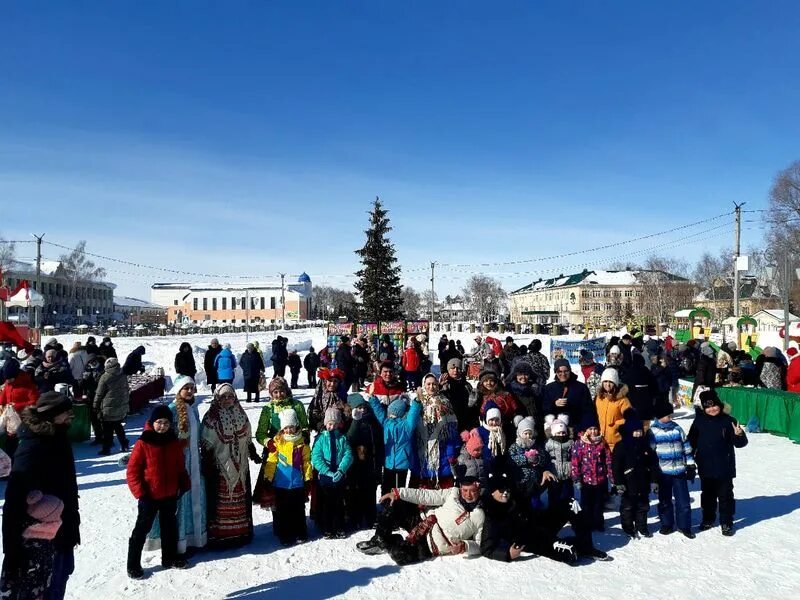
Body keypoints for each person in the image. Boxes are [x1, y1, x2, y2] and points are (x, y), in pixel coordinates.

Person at [1, 391, 80, 599]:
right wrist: (12, 552)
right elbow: (13, 503)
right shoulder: (33, 446)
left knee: (58, 584)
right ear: (52, 415)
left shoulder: (58, 437)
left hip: (62, 533)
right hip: (39, 543)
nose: (71, 415)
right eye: (66, 412)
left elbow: (67, 488)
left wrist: (72, 524)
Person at [126, 405, 190, 579]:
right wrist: (140, 493)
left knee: (169, 528)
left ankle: (169, 558)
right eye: (159, 422)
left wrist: (184, 482)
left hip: (169, 494)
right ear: (152, 423)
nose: (162, 426)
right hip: (149, 496)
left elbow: (179, 466)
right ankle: (133, 564)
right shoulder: (143, 442)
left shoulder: (173, 442)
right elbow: (132, 471)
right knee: (141, 530)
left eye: (166, 423)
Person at [357, 477, 485, 564]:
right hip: (423, 520)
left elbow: (481, 545)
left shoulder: (479, 516)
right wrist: (398, 493)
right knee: (396, 504)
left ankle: (394, 541)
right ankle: (380, 540)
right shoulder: (453, 493)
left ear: (479, 491)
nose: (468, 494)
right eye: (465, 490)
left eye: (472, 491)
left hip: (431, 545)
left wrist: (465, 546)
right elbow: (426, 495)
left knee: (399, 555)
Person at [147, 376, 207, 555]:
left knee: (195, 500)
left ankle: (195, 539)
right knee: (181, 504)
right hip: (180, 465)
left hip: (195, 462)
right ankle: (180, 543)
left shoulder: (193, 410)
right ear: (179, 390)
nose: (189, 391)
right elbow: (160, 434)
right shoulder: (171, 410)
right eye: (186, 388)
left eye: (192, 387)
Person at [201, 383, 257, 549]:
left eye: (230, 396)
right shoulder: (211, 417)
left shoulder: (241, 413)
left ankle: (240, 533)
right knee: (221, 500)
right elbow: (206, 441)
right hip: (220, 466)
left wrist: (251, 451)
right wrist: (208, 461)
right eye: (223, 396)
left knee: (240, 497)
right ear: (218, 397)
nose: (227, 400)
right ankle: (221, 535)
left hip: (240, 464)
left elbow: (247, 437)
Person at [688, 389, 748, 536]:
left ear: (719, 405)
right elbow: (691, 442)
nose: (712, 409)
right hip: (705, 466)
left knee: (725, 496)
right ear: (703, 408)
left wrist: (739, 435)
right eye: (708, 407)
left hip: (724, 467)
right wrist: (688, 459)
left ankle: (726, 522)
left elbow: (740, 444)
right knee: (707, 495)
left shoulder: (729, 421)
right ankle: (708, 518)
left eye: (714, 405)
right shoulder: (699, 421)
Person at [0, 489, 64, 597]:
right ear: (49, 520)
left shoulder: (30, 536)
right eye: (59, 515)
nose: (60, 519)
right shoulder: (36, 545)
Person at [262, 409, 313, 546]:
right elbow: (272, 461)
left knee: (298, 509)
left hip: (297, 483)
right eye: (286, 428)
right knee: (283, 511)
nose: (289, 430)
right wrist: (268, 478)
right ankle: (285, 534)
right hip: (281, 484)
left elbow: (307, 462)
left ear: (296, 426)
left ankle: (300, 531)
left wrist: (308, 478)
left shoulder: (302, 442)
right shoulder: (278, 442)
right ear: (282, 429)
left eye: (291, 427)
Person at [648, 402, 696, 539]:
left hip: (679, 471)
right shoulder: (653, 431)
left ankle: (684, 525)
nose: (668, 418)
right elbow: (651, 453)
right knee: (664, 500)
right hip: (663, 472)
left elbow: (686, 447)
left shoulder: (677, 429)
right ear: (658, 416)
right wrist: (653, 474)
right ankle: (667, 523)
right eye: (665, 416)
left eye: (670, 415)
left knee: (683, 501)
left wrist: (691, 465)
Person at [612, 410, 658, 538]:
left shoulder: (646, 446)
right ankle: (628, 527)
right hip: (628, 483)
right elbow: (616, 466)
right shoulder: (621, 446)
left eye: (640, 431)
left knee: (642, 506)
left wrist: (654, 480)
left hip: (643, 482)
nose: (638, 434)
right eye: (635, 431)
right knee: (628, 506)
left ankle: (642, 526)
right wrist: (619, 482)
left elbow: (653, 463)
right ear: (628, 431)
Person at [411, 374, 461, 489]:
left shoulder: (445, 402)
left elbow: (452, 428)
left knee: (443, 485)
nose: (431, 387)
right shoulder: (418, 403)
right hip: (422, 448)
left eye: (434, 384)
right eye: (428, 384)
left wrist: (453, 449)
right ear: (424, 385)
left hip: (442, 448)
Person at [311, 408, 354, 539]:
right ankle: (327, 527)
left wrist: (342, 470)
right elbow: (316, 457)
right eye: (330, 424)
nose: (332, 427)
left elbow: (348, 455)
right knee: (326, 503)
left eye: (335, 424)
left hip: (339, 476)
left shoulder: (342, 438)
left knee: (339, 503)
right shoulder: (320, 438)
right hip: (325, 477)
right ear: (325, 423)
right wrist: (326, 471)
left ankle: (339, 526)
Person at [344, 393, 384, 530]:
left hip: (370, 461)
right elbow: (349, 439)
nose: (362, 410)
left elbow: (378, 440)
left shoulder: (372, 420)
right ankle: (354, 517)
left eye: (363, 406)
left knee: (370, 490)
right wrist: (356, 421)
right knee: (354, 490)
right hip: (354, 463)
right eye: (358, 407)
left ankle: (370, 516)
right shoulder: (349, 420)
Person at [370, 394, 422, 495]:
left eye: (391, 412)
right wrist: (373, 399)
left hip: (401, 464)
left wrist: (417, 401)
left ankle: (397, 508)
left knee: (398, 489)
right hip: (388, 463)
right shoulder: (386, 422)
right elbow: (379, 412)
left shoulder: (407, 425)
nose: (389, 414)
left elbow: (413, 414)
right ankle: (385, 505)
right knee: (386, 486)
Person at [571, 420, 613, 532]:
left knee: (598, 503)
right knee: (587, 504)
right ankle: (587, 523)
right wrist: (577, 479)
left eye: (595, 429)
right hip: (586, 480)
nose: (593, 431)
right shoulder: (579, 443)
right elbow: (575, 462)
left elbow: (608, 460)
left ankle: (598, 523)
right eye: (590, 429)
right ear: (585, 431)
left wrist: (611, 476)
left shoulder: (602, 442)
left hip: (600, 479)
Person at [542, 359, 595, 437]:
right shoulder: (549, 388)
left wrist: (583, 429)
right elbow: (544, 409)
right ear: (556, 372)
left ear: (570, 371)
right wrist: (554, 404)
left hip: (577, 431)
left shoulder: (581, 387)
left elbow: (588, 410)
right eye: (559, 371)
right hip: (556, 433)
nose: (563, 374)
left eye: (566, 371)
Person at [0, 359, 39, 458]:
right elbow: (4, 394)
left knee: (19, 444)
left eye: (10, 378)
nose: (7, 381)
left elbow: (35, 402)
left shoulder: (28, 384)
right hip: (10, 420)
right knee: (10, 444)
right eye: (6, 379)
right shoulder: (8, 383)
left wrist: (17, 405)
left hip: (23, 419)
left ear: (16, 375)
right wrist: (1, 403)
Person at [255, 376, 309, 445]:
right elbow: (261, 433)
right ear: (271, 394)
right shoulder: (268, 409)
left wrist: (305, 437)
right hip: (275, 446)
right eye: (275, 392)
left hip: (295, 445)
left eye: (282, 391)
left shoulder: (296, 405)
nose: (279, 395)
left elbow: (304, 426)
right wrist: (268, 443)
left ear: (286, 391)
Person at [93, 357, 130, 456]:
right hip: (120, 406)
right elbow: (127, 389)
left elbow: (99, 394)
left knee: (107, 429)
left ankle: (106, 448)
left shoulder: (105, 377)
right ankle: (124, 444)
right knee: (118, 426)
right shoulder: (122, 374)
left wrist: (95, 406)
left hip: (108, 407)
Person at [594, 368, 633, 452]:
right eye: (605, 381)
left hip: (617, 442)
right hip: (601, 442)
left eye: (610, 382)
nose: (607, 384)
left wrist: (616, 425)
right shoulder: (599, 398)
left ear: (615, 383)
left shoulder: (622, 400)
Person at [476, 371, 520, 443]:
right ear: (482, 383)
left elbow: (515, 408)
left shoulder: (505, 395)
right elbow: (478, 412)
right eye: (486, 381)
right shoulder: (480, 396)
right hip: (488, 428)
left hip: (505, 426)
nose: (488, 383)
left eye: (491, 381)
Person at [439, 358, 477, 432]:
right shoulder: (445, 385)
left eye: (458, 368)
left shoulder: (467, 385)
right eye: (452, 368)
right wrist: (439, 386)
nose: (455, 370)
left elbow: (473, 406)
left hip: (466, 422)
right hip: (449, 422)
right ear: (448, 370)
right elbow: (435, 396)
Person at [622, 353, 660, 427]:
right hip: (646, 399)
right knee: (646, 422)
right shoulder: (646, 370)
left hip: (633, 399)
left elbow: (625, 383)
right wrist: (654, 395)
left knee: (635, 422)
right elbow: (653, 384)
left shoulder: (630, 371)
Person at [308, 368, 348, 433]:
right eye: (330, 381)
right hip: (322, 430)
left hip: (339, 430)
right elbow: (313, 413)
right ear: (325, 381)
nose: (332, 384)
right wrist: (321, 426)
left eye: (335, 381)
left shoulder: (342, 395)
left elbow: (346, 414)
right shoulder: (319, 396)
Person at [80, 354, 105, 445]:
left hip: (101, 397)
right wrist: (84, 380)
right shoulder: (87, 369)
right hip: (91, 396)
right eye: (90, 362)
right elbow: (83, 385)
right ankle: (98, 437)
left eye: (93, 361)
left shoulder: (103, 369)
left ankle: (106, 437)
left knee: (102, 418)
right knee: (94, 418)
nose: (92, 363)